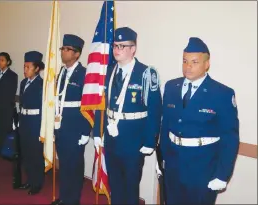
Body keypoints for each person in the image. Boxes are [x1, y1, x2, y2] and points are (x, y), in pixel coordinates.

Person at [160, 37, 239, 204]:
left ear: (207, 64)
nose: (188, 66)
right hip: (173, 165)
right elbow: (165, 125)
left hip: (203, 168)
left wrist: (222, 174)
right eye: (185, 61)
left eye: (194, 62)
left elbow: (230, 137)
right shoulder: (171, 87)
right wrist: (162, 159)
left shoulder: (222, 93)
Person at [93, 27, 162, 204]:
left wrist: (149, 140)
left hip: (134, 140)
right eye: (115, 45)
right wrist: (97, 131)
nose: (117, 49)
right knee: (115, 185)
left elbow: (155, 110)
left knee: (131, 186)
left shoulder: (146, 73)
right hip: (111, 139)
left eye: (122, 46)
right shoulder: (108, 71)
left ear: (133, 49)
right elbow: (101, 104)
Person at [52, 34, 92, 205]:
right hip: (61, 127)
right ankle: (64, 198)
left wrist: (85, 131)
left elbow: (88, 105)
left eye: (67, 49)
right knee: (64, 166)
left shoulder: (84, 74)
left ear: (76, 54)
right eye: (63, 48)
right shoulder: (61, 72)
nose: (63, 52)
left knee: (74, 167)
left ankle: (73, 200)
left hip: (75, 129)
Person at [18, 51, 45, 195]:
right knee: (26, 152)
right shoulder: (23, 83)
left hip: (36, 123)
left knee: (36, 154)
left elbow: (44, 107)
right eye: (24, 67)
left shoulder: (42, 84)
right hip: (24, 121)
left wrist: (42, 127)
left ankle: (37, 183)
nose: (25, 70)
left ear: (36, 68)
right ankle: (29, 179)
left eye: (28, 67)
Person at [0, 52, 18, 156]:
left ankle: (7, 151)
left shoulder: (13, 76)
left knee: (6, 129)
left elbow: (10, 93)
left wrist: (0, 105)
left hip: (6, 108)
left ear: (8, 62)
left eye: (2, 60)